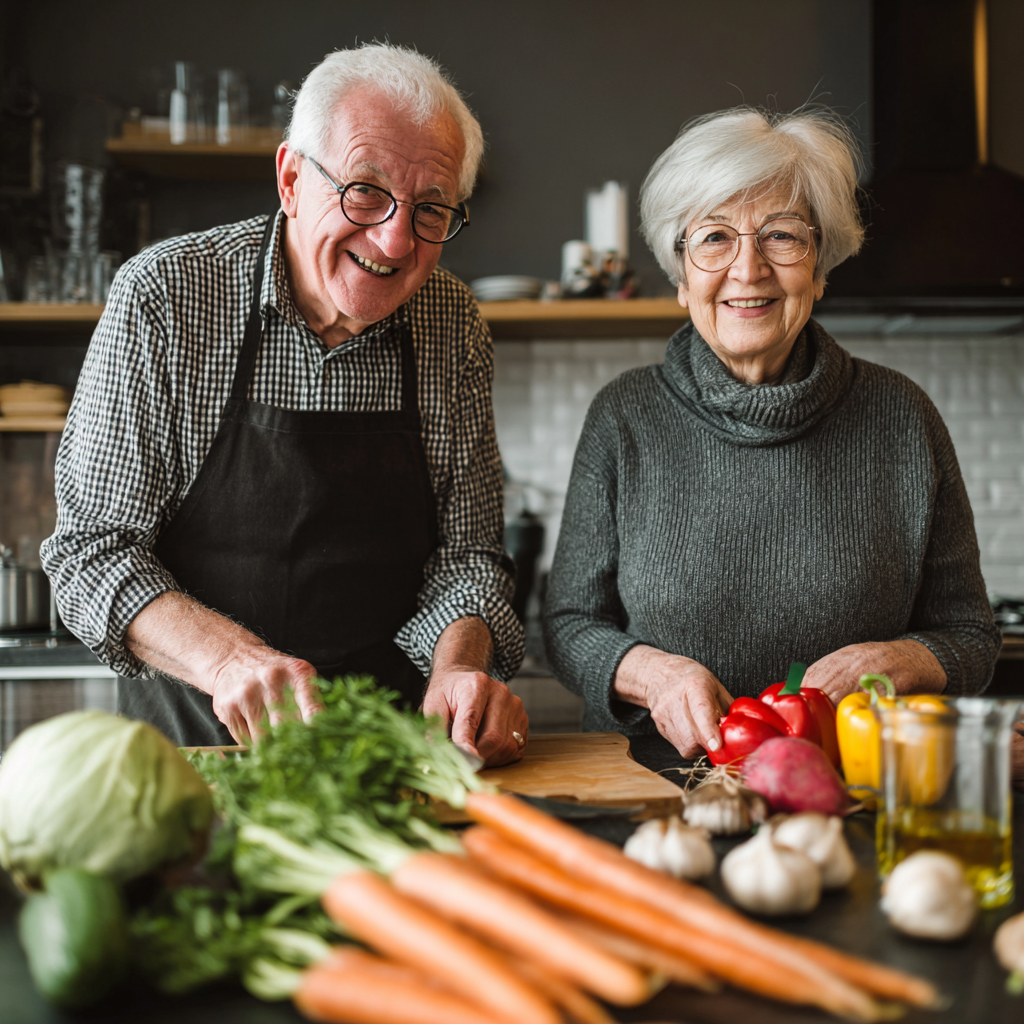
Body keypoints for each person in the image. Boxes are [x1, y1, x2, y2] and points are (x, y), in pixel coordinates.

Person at [42, 44, 528, 765]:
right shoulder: (168, 299)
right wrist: (229, 662)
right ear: (292, 178)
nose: (395, 240)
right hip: (197, 758)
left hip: (393, 761)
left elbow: (470, 558)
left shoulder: (451, 324)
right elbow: (90, 555)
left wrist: (461, 664)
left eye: (431, 209)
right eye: (364, 190)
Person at [543, 106, 1000, 759]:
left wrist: (899, 660)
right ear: (681, 277)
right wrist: (655, 676)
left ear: (819, 269)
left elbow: (972, 639)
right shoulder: (625, 416)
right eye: (714, 237)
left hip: (852, 786)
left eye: (782, 236)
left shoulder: (903, 416)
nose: (748, 268)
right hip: (657, 785)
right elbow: (569, 626)